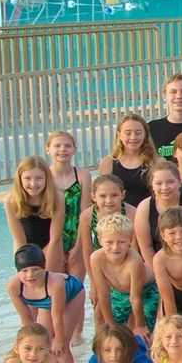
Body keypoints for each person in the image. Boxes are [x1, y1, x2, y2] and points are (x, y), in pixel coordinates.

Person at [4, 243, 80, 363]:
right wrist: (25, 343)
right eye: (24, 271)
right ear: (17, 271)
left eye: (35, 269)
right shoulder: (13, 286)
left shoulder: (55, 284)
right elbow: (26, 319)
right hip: (46, 303)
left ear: (44, 268)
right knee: (42, 343)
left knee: (60, 347)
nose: (30, 275)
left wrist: (59, 340)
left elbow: (57, 317)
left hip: (72, 293)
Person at [87, 213, 155, 343]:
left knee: (143, 335)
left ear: (130, 240)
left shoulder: (134, 261)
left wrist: (140, 325)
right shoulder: (96, 258)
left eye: (121, 242)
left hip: (147, 291)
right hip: (119, 292)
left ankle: (145, 356)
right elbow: (103, 294)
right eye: (109, 242)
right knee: (110, 330)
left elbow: (135, 298)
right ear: (100, 240)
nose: (115, 247)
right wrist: (111, 326)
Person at [43, 130, 95, 277]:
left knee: (75, 288)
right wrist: (50, 247)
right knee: (54, 287)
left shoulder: (83, 175)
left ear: (74, 150)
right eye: (57, 146)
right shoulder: (43, 177)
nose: (62, 150)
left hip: (77, 238)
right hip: (50, 241)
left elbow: (85, 212)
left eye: (67, 146)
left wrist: (79, 246)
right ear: (48, 149)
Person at [103, 114, 156, 208]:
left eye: (138, 133)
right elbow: (103, 195)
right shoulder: (107, 163)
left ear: (145, 134)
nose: (133, 137)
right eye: (128, 133)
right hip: (120, 218)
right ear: (119, 135)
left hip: (149, 214)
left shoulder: (157, 162)